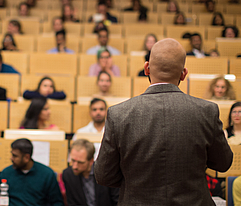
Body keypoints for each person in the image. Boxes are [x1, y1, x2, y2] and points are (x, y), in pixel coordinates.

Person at [94, 38, 233, 205]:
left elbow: (103, 175)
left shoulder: (119, 114)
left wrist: (135, 183)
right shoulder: (206, 111)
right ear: (183, 73)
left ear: (146, 68)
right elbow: (223, 163)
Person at [0, 138, 64, 206]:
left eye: (15, 156)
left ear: (26, 157)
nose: (11, 158)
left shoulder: (47, 174)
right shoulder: (6, 173)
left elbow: (57, 203)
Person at [63, 139, 119, 205]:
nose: (75, 166)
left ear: (91, 161)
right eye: (73, 161)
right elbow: (72, 203)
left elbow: (117, 201)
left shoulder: (107, 173)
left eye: (80, 162)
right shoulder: (68, 175)